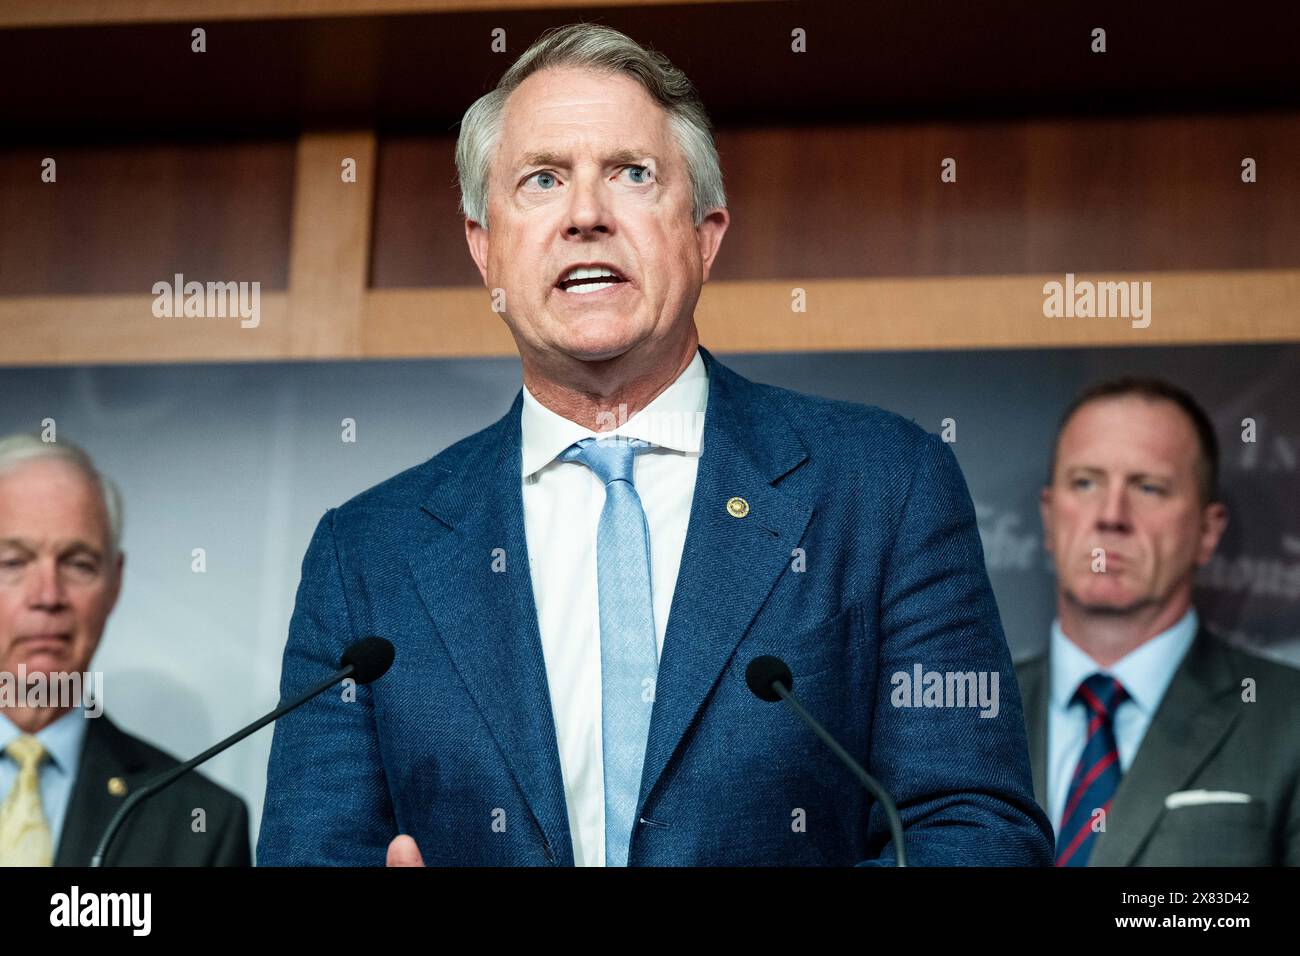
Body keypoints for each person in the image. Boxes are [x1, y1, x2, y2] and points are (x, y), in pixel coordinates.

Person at [258, 22, 1051, 867]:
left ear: (705, 234)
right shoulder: (366, 555)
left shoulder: (886, 487)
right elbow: (312, 852)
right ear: (484, 250)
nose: (586, 216)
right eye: (542, 180)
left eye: (631, 174)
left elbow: (975, 833)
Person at [1017, 378, 1300, 866]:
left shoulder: (1288, 720)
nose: (1111, 516)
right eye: (1086, 482)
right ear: (1049, 516)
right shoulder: (970, 714)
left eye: (1148, 487)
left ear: (1208, 531)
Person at [0, 434, 250, 866]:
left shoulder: (201, 821)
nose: (48, 595)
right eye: (13, 563)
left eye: (79, 564)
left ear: (114, 583)